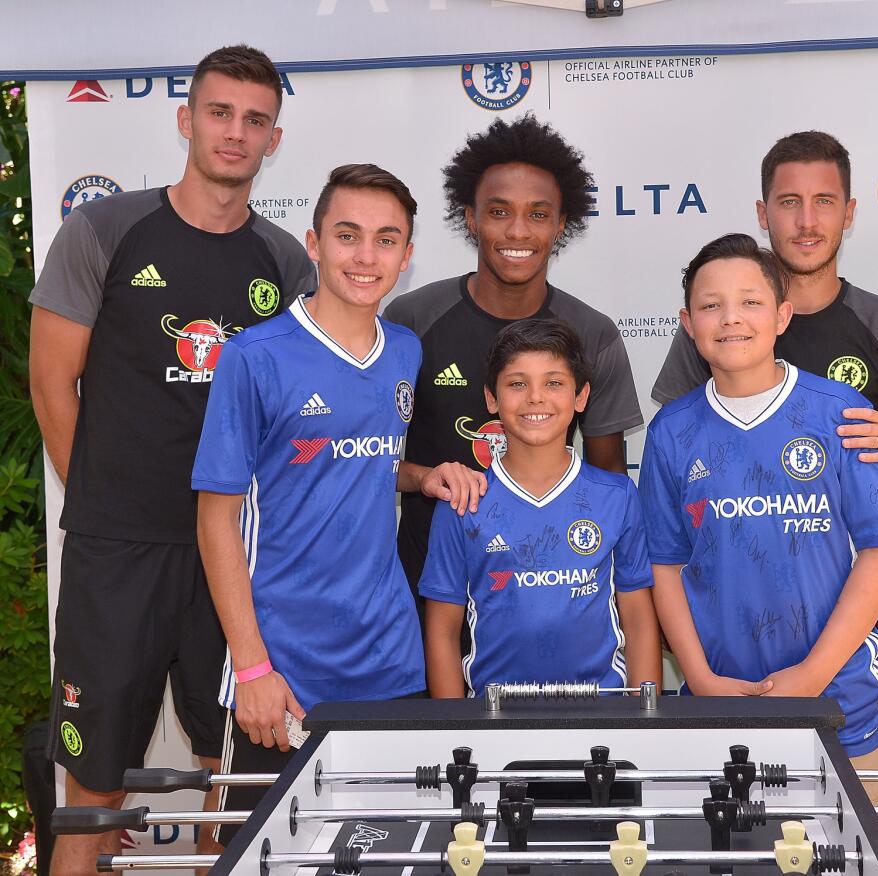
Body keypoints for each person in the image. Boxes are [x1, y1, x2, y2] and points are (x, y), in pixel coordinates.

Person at [28, 45, 314, 875]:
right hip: (117, 553)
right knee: (91, 796)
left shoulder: (285, 265)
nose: (235, 132)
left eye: (254, 120)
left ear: (274, 140)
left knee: (235, 789)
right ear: (186, 120)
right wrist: (104, 509)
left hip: (232, 558)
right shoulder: (105, 230)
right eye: (219, 113)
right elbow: (53, 388)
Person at [192, 164, 484, 841]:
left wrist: (421, 477)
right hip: (284, 667)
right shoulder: (254, 357)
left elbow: (364, 461)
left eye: (386, 240)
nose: (366, 256)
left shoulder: (403, 352)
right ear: (314, 243)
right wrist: (253, 666)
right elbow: (216, 520)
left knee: (389, 852)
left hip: (390, 659)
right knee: (262, 854)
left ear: (407, 257)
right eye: (348, 235)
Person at [652, 132, 878, 792]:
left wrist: (811, 676)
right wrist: (698, 677)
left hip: (838, 701)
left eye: (750, 303)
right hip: (715, 702)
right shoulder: (674, 429)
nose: (731, 320)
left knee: (844, 855)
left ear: (781, 317)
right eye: (712, 306)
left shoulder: (840, 409)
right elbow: (662, 563)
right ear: (688, 325)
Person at [384, 115, 643, 610]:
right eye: (499, 211)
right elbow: (372, 461)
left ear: (562, 223)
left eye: (539, 214)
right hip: (425, 593)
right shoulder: (412, 319)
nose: (518, 231)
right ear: (470, 217)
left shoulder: (593, 334)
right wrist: (427, 477)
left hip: (553, 599)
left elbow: (608, 481)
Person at [419, 318, 660, 696]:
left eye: (553, 383)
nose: (535, 397)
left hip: (602, 714)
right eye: (517, 384)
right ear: (491, 398)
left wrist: (645, 715)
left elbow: (638, 617)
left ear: (580, 397)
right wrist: (455, 730)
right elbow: (442, 629)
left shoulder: (616, 495)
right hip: (493, 718)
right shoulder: (464, 501)